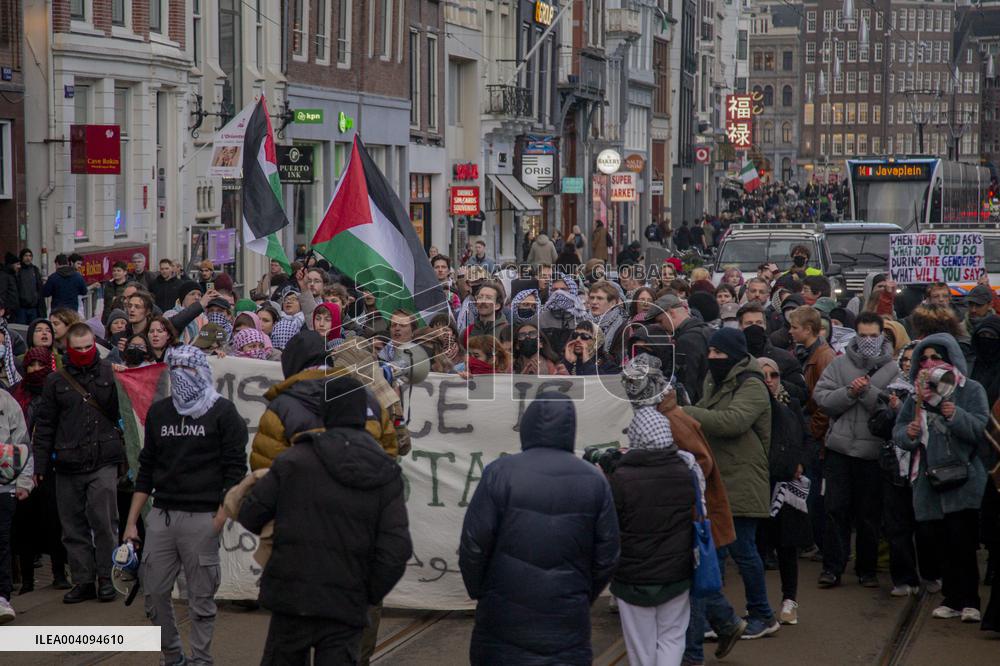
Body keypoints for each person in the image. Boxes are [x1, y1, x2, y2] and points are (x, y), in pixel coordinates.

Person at [239, 376, 412, 665]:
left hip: (291, 597)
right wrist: (367, 593)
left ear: (324, 412)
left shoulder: (294, 460)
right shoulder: (385, 471)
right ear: (364, 413)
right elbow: (396, 549)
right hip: (347, 602)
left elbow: (251, 514)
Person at [459, 392, 619, 665]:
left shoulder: (499, 472)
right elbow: (608, 554)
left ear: (528, 425)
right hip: (566, 619)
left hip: (502, 617)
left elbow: (474, 544)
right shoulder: (594, 480)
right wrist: (582, 594)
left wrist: (482, 592)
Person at [122, 345, 247, 666]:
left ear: (202, 371)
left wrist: (220, 517)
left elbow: (236, 469)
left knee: (201, 598)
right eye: (174, 369)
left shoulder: (223, 412)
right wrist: (132, 522)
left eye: (188, 369)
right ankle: (173, 655)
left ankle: (201, 659)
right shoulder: (160, 412)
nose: (181, 377)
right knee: (154, 592)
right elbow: (146, 467)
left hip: (203, 517)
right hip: (162, 516)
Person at [683, 328, 777, 640]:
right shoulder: (716, 378)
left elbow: (732, 421)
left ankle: (762, 613)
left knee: (743, 549)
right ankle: (717, 618)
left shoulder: (752, 384)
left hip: (744, 476)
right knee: (720, 550)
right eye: (710, 353)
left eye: (719, 354)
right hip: (721, 475)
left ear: (734, 355)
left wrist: (684, 412)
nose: (712, 358)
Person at [893, 333, 989, 623]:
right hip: (929, 480)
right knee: (939, 541)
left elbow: (979, 430)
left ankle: (970, 600)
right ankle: (952, 598)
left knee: (962, 541)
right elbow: (899, 432)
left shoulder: (969, 389)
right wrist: (908, 435)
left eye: (936, 357)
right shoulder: (916, 394)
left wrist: (955, 414)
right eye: (924, 358)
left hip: (962, 479)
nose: (929, 362)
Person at [32, 323, 124, 604]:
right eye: (79, 348)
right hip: (68, 462)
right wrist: (39, 465)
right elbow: (45, 425)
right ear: (68, 349)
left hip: (104, 459)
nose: (84, 352)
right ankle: (83, 580)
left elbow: (128, 416)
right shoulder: (56, 382)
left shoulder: (110, 373)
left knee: (104, 522)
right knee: (72, 527)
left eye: (88, 347)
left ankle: (107, 577)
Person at [813, 313, 899, 588]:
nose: (868, 341)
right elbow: (821, 398)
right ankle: (832, 567)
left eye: (873, 336)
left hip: (872, 454)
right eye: (863, 336)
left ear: (882, 336)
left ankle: (867, 568)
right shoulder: (839, 364)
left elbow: (894, 410)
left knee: (869, 514)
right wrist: (849, 392)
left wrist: (868, 392)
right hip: (840, 450)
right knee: (835, 510)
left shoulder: (893, 370)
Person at [607, 407, 696, 666]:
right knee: (672, 637)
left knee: (641, 646)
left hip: (632, 576)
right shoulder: (685, 471)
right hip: (676, 573)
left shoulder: (621, 478)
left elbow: (611, 526)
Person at [251, 331, 398, 470]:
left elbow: (265, 467)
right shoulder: (367, 396)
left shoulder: (281, 407)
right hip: (365, 490)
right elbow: (390, 451)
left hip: (304, 492)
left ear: (290, 364)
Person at [756, 357, 811, 625]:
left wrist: (800, 461)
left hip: (785, 483)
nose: (769, 380)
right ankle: (758, 604)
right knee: (756, 546)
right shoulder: (749, 407)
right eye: (762, 374)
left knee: (786, 546)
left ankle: (790, 600)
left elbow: (805, 437)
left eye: (774, 375)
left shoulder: (792, 404)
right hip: (757, 483)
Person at [650, 294, 713, 403]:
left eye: (661, 321)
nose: (661, 326)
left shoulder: (686, 340)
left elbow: (686, 384)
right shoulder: (707, 330)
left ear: (672, 313)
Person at [14, 249, 45, 324]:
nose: (28, 258)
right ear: (22, 257)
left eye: (30, 256)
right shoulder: (18, 270)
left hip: (33, 307)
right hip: (21, 308)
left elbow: (39, 287)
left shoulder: (35, 270)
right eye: (26, 256)